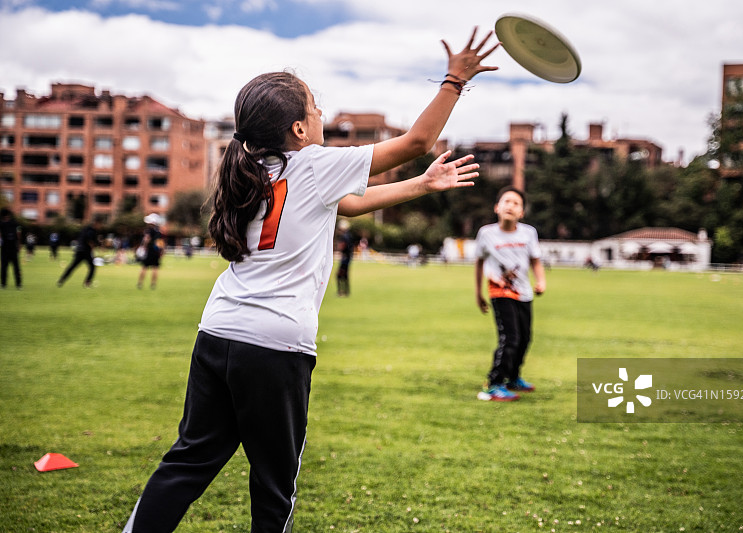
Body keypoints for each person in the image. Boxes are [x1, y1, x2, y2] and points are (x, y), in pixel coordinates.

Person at [122, 27, 498, 533]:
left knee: (188, 461)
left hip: (218, 331)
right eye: (316, 108)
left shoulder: (248, 169)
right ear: (299, 129)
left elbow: (349, 204)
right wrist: (455, 80)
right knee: (274, 485)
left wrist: (421, 184)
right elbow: (417, 142)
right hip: (275, 345)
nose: (322, 113)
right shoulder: (314, 165)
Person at [475, 186, 546, 402]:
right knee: (510, 338)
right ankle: (494, 384)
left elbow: (535, 261)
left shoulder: (529, 233)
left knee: (524, 338)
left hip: (524, 292)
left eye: (516, 203)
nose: (510, 206)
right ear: (497, 207)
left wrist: (541, 281)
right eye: (506, 201)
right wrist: (478, 293)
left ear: (521, 212)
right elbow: (479, 262)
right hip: (500, 291)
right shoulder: (486, 234)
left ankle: (513, 377)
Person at [57, 218, 101, 287]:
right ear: (96, 223)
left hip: (79, 250)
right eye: (99, 224)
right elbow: (90, 241)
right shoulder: (91, 231)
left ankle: (62, 280)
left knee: (72, 266)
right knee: (92, 267)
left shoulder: (86, 229)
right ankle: (87, 282)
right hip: (85, 251)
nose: (100, 226)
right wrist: (93, 251)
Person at [137, 214, 164, 289]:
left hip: (149, 251)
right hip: (156, 252)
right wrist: (161, 252)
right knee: (155, 268)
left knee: (144, 267)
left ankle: (140, 283)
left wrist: (143, 247)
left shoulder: (148, 230)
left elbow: (146, 239)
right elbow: (160, 243)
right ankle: (153, 284)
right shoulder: (159, 231)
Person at [0, 208, 22, 289]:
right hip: (12, 247)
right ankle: (18, 284)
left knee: (4, 267)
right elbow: (19, 232)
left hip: (5, 248)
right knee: (16, 267)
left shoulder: (1, 224)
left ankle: (3, 284)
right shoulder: (15, 223)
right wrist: (19, 244)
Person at [336, 219, 355, 296]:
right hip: (348, 257)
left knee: (339, 275)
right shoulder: (349, 235)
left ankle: (341, 291)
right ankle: (346, 291)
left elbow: (342, 246)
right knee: (345, 275)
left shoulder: (344, 236)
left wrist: (339, 248)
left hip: (345, 258)